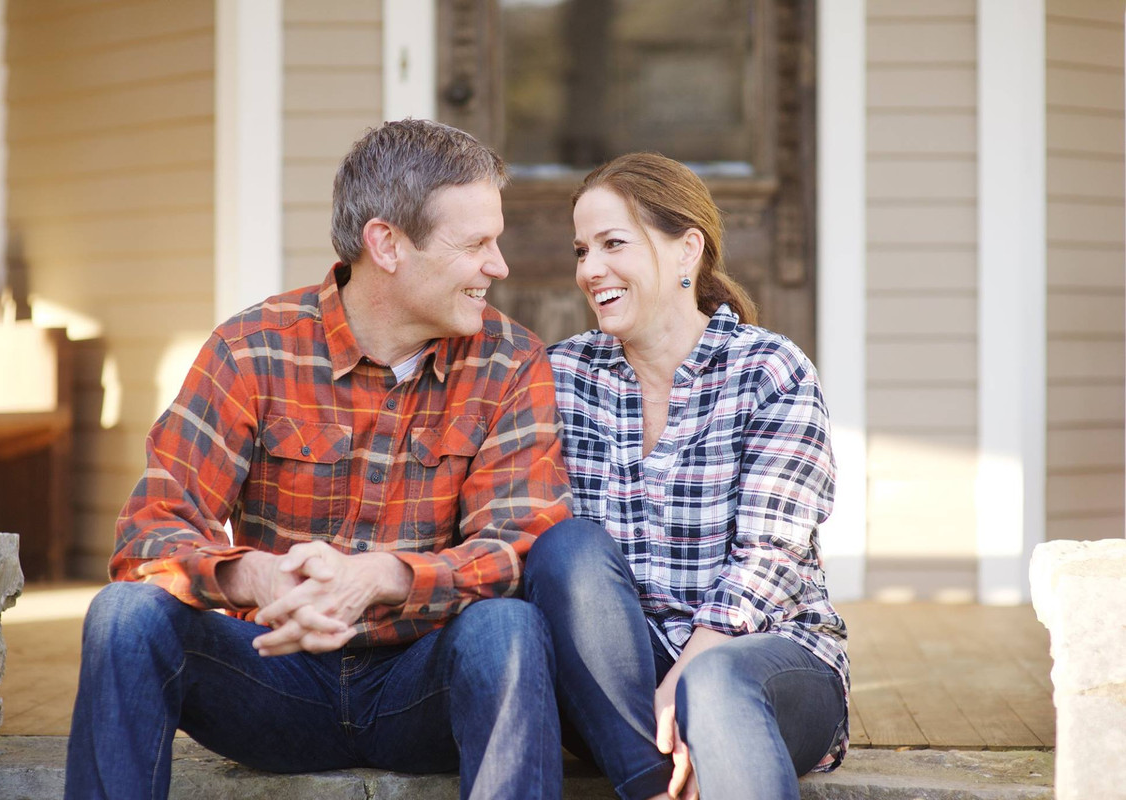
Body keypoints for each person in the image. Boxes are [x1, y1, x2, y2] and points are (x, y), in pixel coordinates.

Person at [64, 119, 575, 800]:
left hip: (422, 688)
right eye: (476, 243)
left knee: (507, 627)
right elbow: (148, 533)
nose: (498, 266)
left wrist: (381, 576)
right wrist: (261, 580)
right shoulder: (252, 349)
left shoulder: (508, 361)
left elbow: (516, 548)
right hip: (272, 679)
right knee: (124, 614)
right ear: (386, 244)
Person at [525, 152, 849, 800]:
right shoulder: (560, 376)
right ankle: (651, 779)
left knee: (714, 686)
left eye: (613, 244)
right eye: (581, 250)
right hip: (618, 677)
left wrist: (686, 676)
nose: (590, 270)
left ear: (686, 251)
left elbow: (772, 556)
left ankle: (650, 754)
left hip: (765, 660)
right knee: (568, 549)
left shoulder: (767, 369)